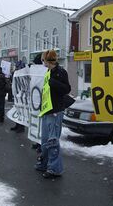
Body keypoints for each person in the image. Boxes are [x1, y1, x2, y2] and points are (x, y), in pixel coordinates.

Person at [35, 50, 71, 179]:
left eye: (43, 60)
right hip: (47, 111)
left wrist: (53, 83)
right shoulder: (48, 72)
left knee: (52, 141)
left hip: (55, 111)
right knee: (45, 140)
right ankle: (44, 163)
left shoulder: (60, 72)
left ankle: (55, 168)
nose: (42, 62)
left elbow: (67, 89)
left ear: (47, 60)